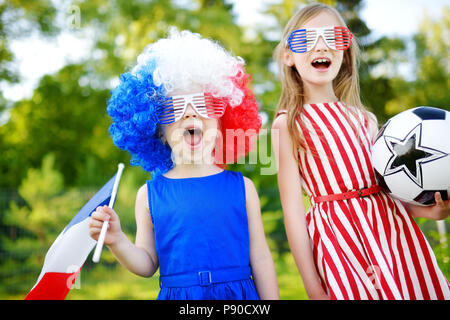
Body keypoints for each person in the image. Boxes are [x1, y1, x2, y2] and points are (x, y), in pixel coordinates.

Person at [271, 3, 450, 300]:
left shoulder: (364, 119)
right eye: (305, 39)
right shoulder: (288, 124)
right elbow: (293, 213)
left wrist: (429, 211)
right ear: (289, 56)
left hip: (394, 239)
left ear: (346, 52)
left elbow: (385, 193)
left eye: (333, 37)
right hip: (341, 245)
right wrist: (312, 287)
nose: (321, 46)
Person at [89, 28, 279, 300]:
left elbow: (260, 257)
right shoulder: (149, 195)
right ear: (157, 130)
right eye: (173, 108)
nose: (190, 112)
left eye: (205, 105)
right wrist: (117, 240)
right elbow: (147, 265)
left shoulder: (243, 188)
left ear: (223, 120)